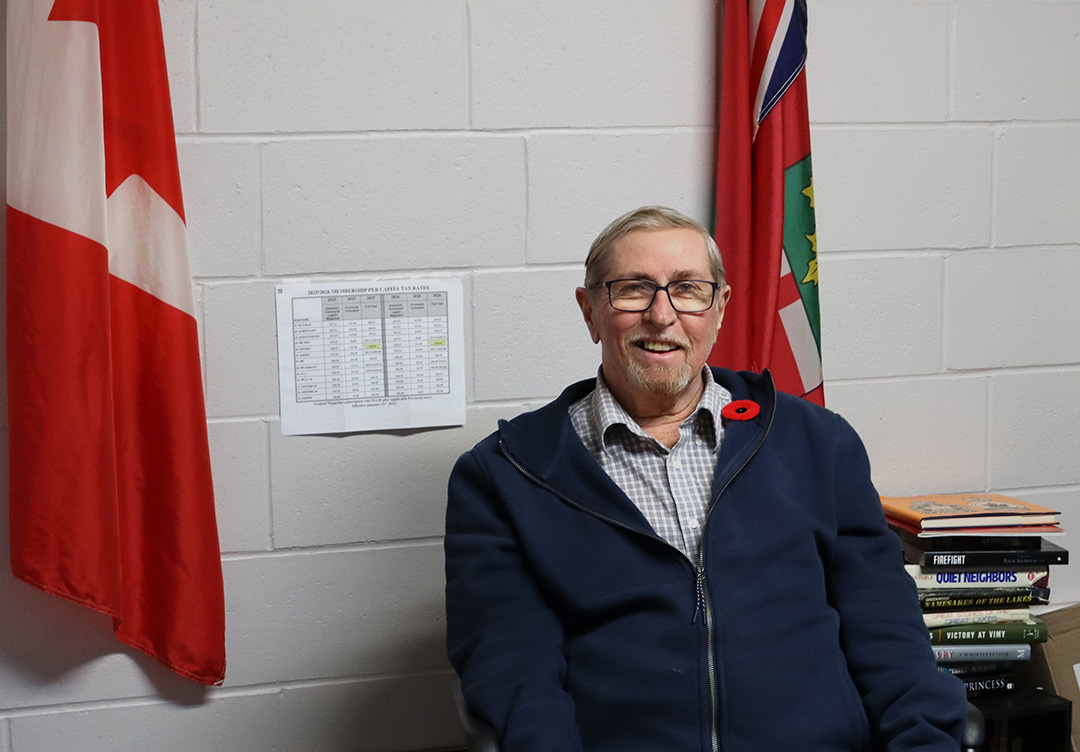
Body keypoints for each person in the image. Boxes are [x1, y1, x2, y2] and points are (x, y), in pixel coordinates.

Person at [444, 206, 967, 751]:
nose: (662, 315)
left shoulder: (817, 443)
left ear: (720, 308)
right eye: (632, 289)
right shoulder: (504, 475)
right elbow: (516, 675)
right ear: (590, 310)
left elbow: (887, 633)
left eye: (688, 289)